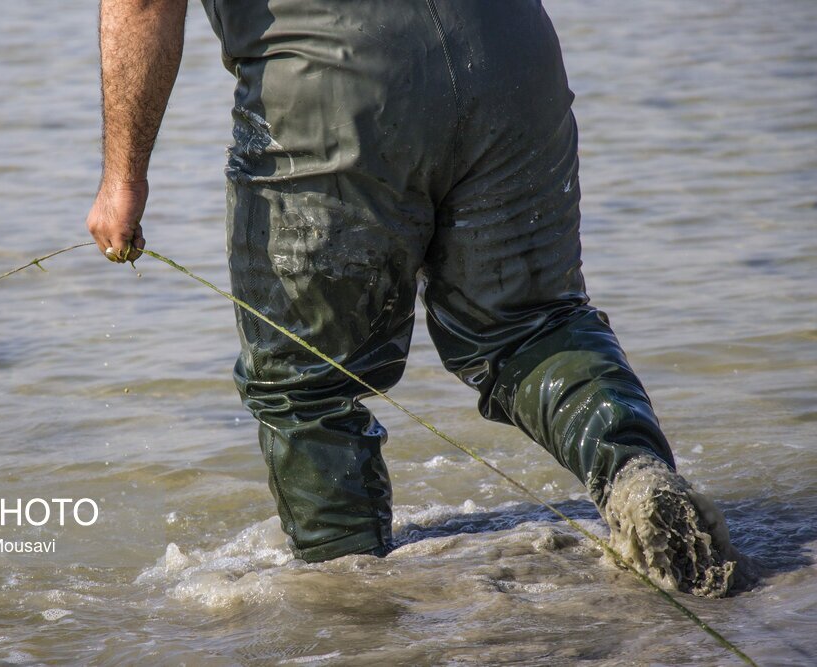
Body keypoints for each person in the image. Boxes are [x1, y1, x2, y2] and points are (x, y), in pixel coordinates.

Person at [86, 0, 738, 596]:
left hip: (335, 84)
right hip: (510, 51)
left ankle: (352, 608)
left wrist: (124, 176)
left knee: (307, 384)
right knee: (532, 327)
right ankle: (637, 477)